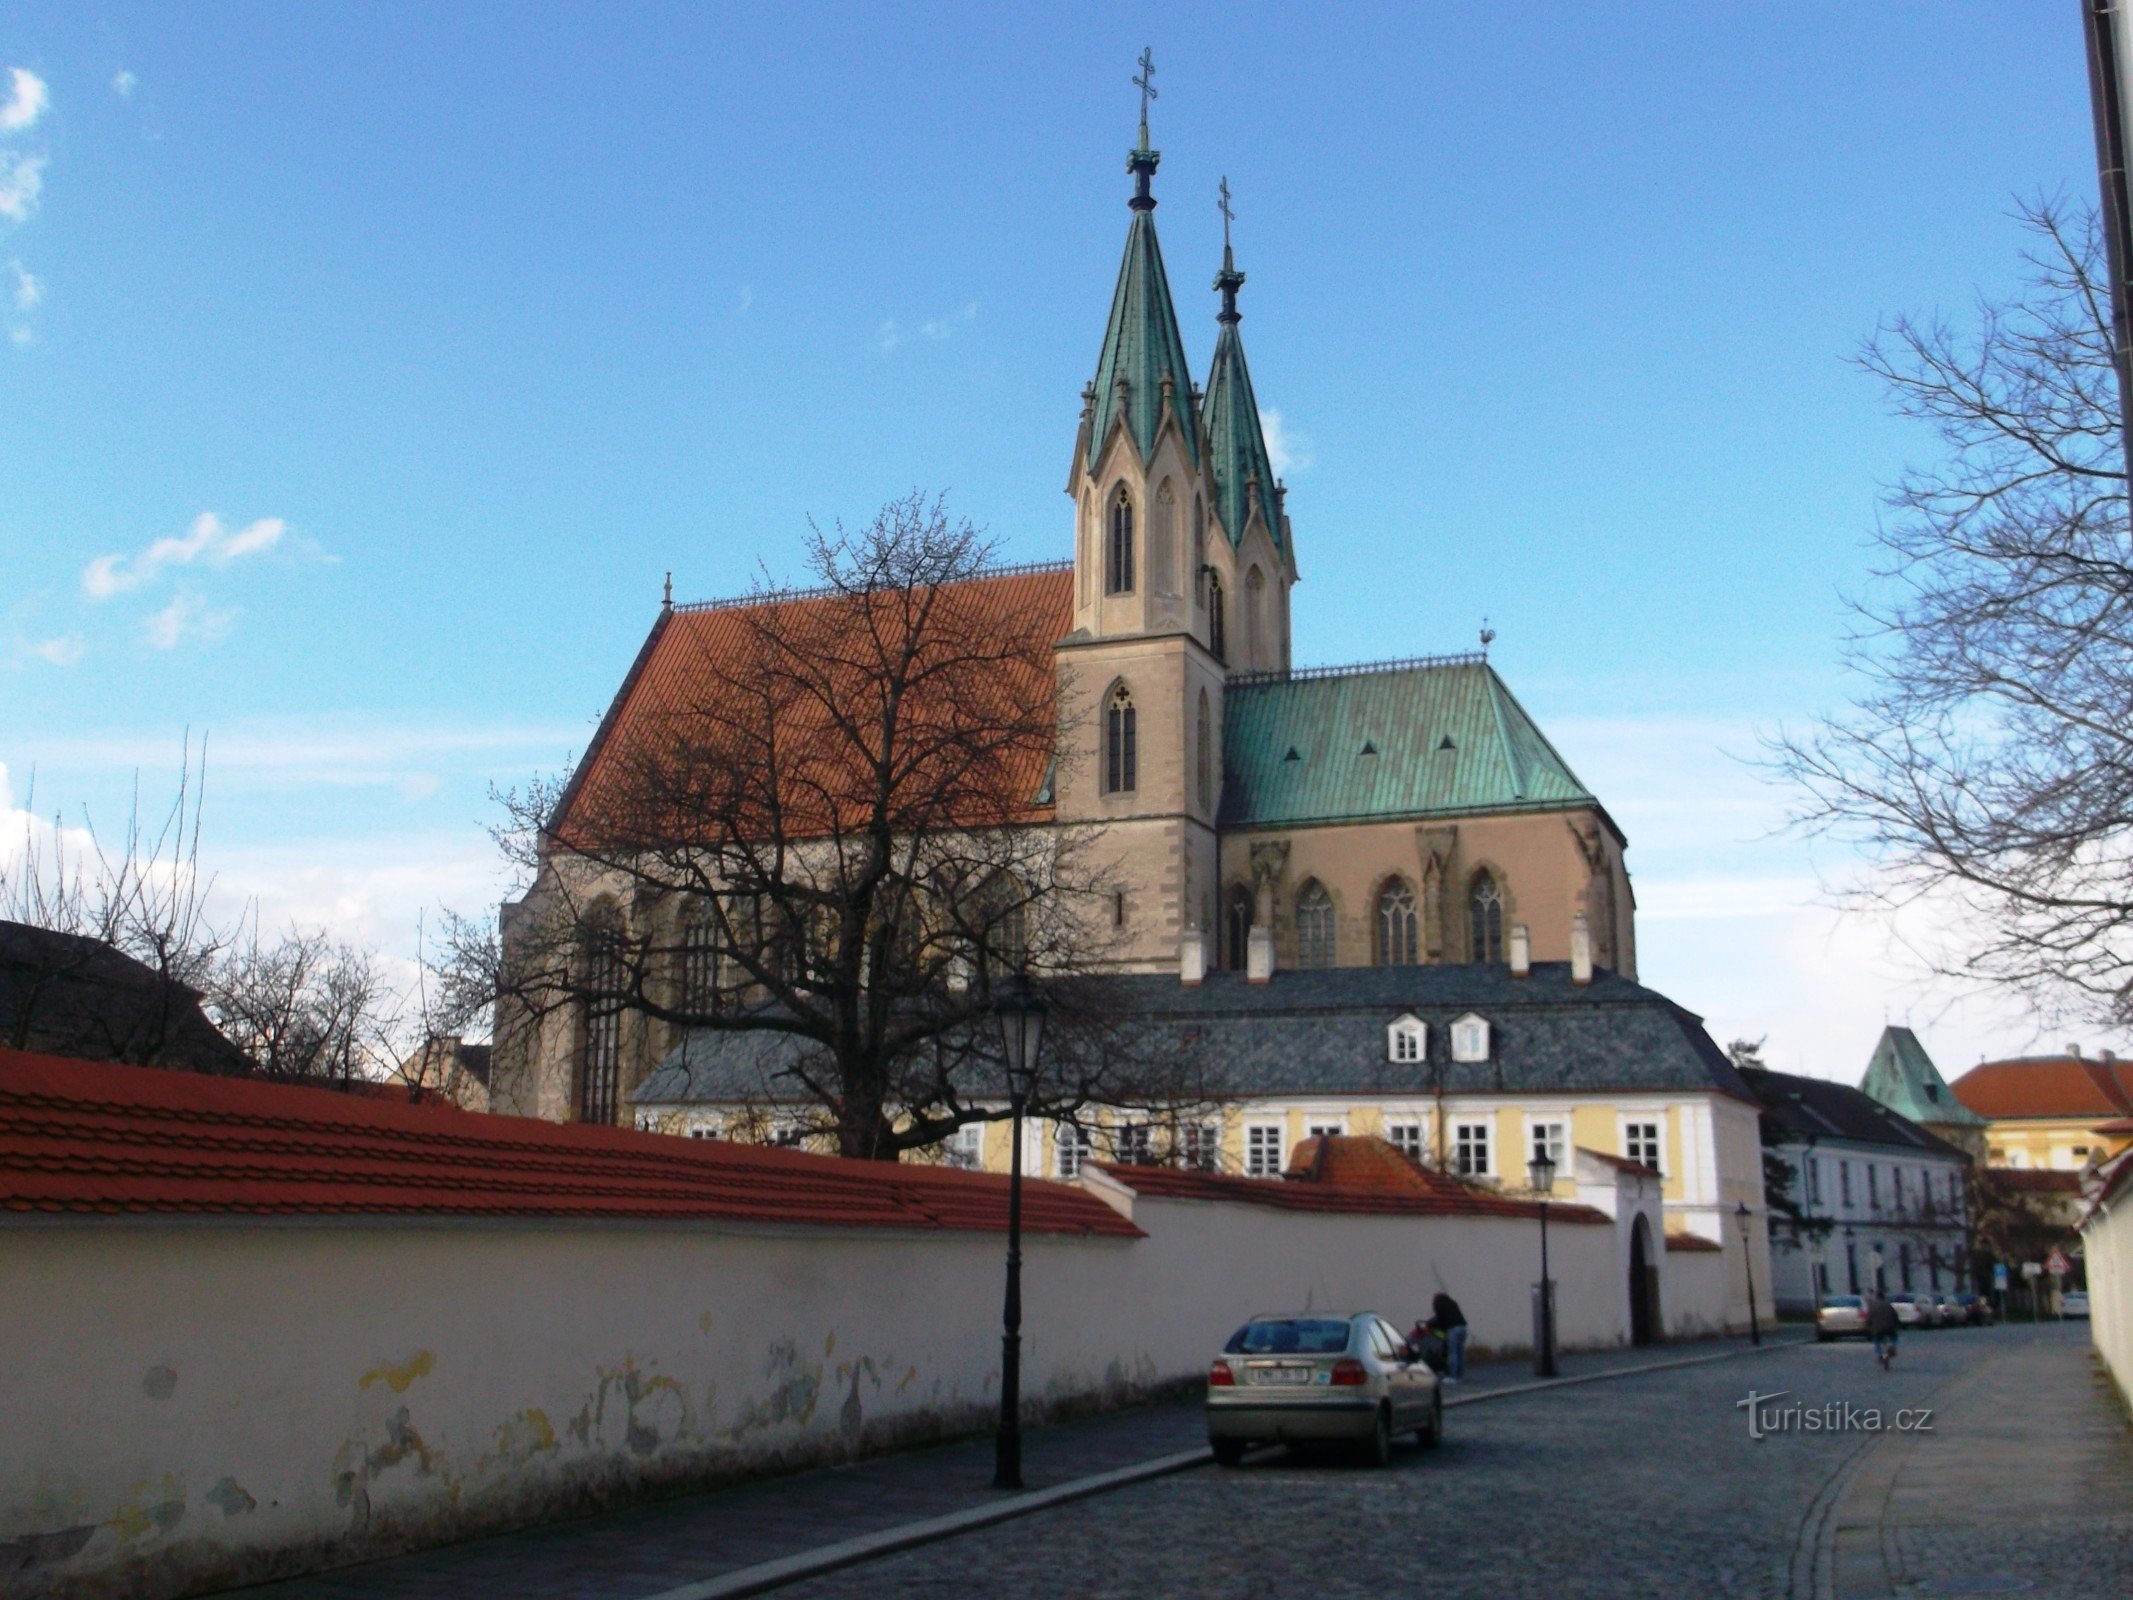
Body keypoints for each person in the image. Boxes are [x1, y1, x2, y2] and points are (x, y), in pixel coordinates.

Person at [1426, 1291, 1469, 1384]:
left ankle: (1452, 1377)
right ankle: (1459, 1376)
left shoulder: (1439, 1305)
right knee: (1460, 1353)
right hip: (1463, 1327)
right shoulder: (1453, 1303)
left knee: (1452, 1353)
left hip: (1453, 1329)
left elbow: (1440, 1320)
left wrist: (1430, 1324)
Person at [1864, 1289, 1899, 1367]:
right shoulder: (1889, 1305)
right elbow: (1895, 1316)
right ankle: (1892, 1346)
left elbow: (1869, 1318)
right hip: (1890, 1327)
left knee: (1876, 1340)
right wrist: (1897, 1325)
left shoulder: (1872, 1306)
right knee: (1894, 1337)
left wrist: (1868, 1326)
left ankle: (1879, 1355)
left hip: (1877, 1329)